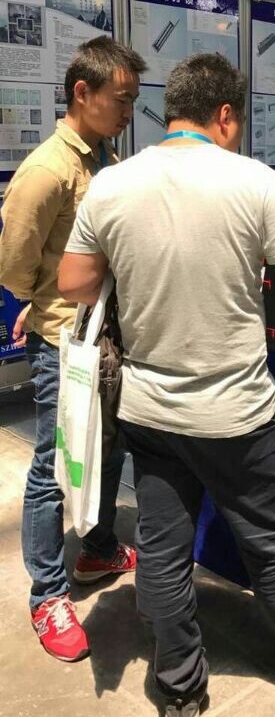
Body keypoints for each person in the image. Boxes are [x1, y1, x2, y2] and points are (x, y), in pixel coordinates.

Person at [57, 52, 275, 717]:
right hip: (236, 414)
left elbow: (73, 282)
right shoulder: (252, 181)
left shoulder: (112, 184)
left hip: (149, 412)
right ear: (225, 115)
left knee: (163, 551)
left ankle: (180, 685)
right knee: (270, 539)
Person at [0, 36, 147, 663]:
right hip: (66, 345)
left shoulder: (106, 156)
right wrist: (40, 301)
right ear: (82, 93)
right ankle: (47, 595)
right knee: (54, 469)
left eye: (133, 100)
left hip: (108, 335)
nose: (128, 112)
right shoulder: (47, 171)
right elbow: (14, 265)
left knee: (108, 451)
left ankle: (98, 549)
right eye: (121, 99)